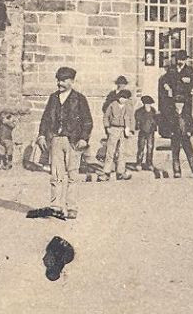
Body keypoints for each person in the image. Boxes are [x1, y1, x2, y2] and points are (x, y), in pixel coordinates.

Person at [37, 66, 92, 219]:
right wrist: (41, 135)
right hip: (55, 139)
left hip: (73, 141)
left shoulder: (80, 99)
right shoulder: (53, 98)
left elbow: (88, 121)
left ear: (72, 81)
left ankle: (72, 207)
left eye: (63, 80)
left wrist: (83, 138)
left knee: (73, 175)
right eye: (58, 80)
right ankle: (56, 206)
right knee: (55, 175)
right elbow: (46, 118)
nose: (59, 83)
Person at [159, 54, 193, 178]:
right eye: (178, 59)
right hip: (173, 98)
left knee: (189, 149)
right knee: (175, 151)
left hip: (185, 98)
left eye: (182, 59)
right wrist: (167, 87)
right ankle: (177, 171)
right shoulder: (172, 70)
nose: (180, 61)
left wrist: (189, 81)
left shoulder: (188, 70)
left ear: (185, 60)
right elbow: (164, 80)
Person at [100, 88, 135, 180]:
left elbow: (131, 118)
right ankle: (106, 172)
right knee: (110, 151)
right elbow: (106, 117)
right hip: (114, 129)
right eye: (122, 97)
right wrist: (107, 127)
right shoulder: (112, 105)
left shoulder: (128, 106)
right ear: (118, 97)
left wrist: (131, 130)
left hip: (124, 130)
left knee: (122, 152)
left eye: (126, 98)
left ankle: (120, 172)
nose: (123, 99)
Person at [134, 95, 159, 173]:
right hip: (142, 131)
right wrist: (138, 126)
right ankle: (139, 163)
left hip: (150, 132)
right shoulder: (139, 111)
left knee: (150, 148)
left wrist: (155, 126)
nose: (147, 105)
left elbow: (156, 120)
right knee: (141, 147)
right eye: (146, 103)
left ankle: (149, 163)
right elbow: (137, 120)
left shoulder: (153, 111)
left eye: (149, 104)